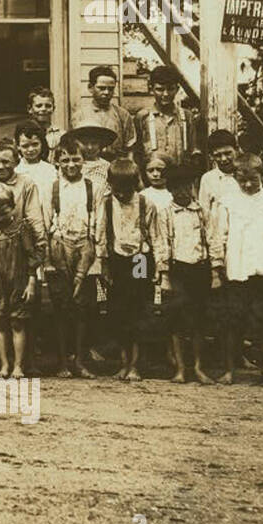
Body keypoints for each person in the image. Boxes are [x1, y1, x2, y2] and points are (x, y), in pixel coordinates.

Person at [210, 153, 263, 386]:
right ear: (234, 178)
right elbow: (218, 236)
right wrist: (217, 267)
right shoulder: (226, 202)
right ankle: (229, 370)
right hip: (236, 270)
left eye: (252, 179)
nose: (247, 184)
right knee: (233, 321)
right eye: (242, 180)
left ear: (261, 175)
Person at [95, 157, 159, 381]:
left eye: (126, 190)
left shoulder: (145, 203)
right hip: (116, 261)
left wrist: (160, 267)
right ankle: (123, 362)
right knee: (119, 311)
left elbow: (155, 235)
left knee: (138, 309)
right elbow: (101, 234)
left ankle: (136, 364)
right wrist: (103, 264)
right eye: (116, 189)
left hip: (140, 260)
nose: (121, 194)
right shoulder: (105, 203)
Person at [153, 162, 212, 384]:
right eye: (177, 188)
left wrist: (215, 271)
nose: (182, 192)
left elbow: (211, 239)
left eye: (186, 186)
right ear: (169, 190)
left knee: (198, 321)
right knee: (177, 321)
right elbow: (161, 243)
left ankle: (197, 367)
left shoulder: (202, 212)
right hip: (177, 270)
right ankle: (179, 368)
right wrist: (164, 274)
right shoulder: (166, 213)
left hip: (199, 269)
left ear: (193, 186)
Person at [0, 180, 41, 379]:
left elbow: (32, 255)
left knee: (17, 323)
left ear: (12, 207)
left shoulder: (21, 227)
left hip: (18, 281)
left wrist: (31, 282)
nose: (0, 218)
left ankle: (18, 366)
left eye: (4, 212)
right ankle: (4, 365)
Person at [45, 137, 97, 377]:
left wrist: (90, 254)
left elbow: (96, 220)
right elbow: (47, 223)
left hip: (84, 248)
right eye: (65, 160)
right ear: (57, 162)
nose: (71, 165)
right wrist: (51, 256)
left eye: (76, 159)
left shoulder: (90, 187)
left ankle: (80, 359)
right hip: (60, 248)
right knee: (61, 307)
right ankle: (62, 361)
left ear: (83, 161)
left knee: (82, 306)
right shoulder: (53, 187)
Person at [134, 65, 195, 167]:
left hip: (180, 174)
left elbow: (193, 149)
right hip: (153, 176)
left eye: (170, 89)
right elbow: (137, 153)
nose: (166, 94)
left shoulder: (187, 116)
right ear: (151, 89)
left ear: (177, 89)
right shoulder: (142, 117)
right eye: (160, 89)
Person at [72, 65, 136, 155]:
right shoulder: (80, 116)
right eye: (101, 88)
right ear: (90, 87)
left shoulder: (122, 115)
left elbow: (130, 146)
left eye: (110, 89)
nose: (106, 92)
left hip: (116, 164)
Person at [14, 119, 57, 234]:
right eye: (25, 146)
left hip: (49, 225)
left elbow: (55, 199)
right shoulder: (16, 172)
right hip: (24, 230)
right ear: (18, 146)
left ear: (41, 143)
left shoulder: (50, 170)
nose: (31, 149)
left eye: (35, 144)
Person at [199, 129, 241, 223]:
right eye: (218, 155)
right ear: (211, 156)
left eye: (227, 153)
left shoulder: (246, 175)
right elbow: (205, 213)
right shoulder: (208, 179)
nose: (223, 159)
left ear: (236, 150)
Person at [26, 87, 64, 153]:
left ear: (53, 108)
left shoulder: (61, 135)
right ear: (30, 109)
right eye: (39, 106)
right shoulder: (23, 135)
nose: (43, 109)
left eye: (48, 106)